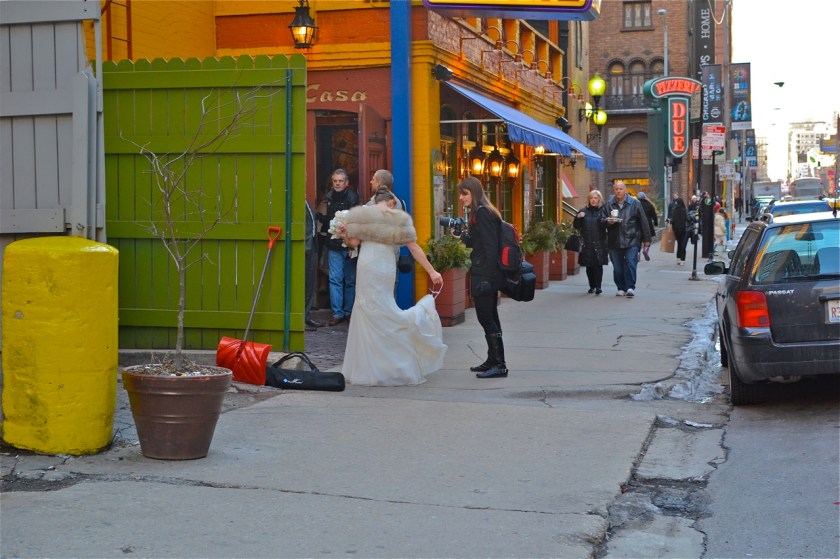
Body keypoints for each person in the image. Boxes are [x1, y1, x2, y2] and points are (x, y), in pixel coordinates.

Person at [335, 187, 446, 386]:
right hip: (384, 267)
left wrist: (342, 233)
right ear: (392, 202)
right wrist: (432, 271)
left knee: (366, 311)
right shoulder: (398, 219)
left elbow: (354, 243)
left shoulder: (362, 215)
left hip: (367, 266)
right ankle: (397, 360)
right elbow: (413, 248)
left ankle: (368, 368)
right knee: (386, 310)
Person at [454, 176, 509, 378]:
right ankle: (492, 360)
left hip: (485, 274)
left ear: (474, 193)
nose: (461, 198)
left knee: (486, 317)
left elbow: (490, 247)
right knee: (490, 316)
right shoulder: (482, 211)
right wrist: (461, 236)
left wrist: (488, 278)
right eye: (460, 194)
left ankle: (500, 364)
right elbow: (479, 243)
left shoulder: (482, 213)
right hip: (485, 273)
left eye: (464, 194)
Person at [321, 168, 360, 326]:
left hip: (350, 244)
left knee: (350, 280)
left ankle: (348, 311)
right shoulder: (328, 197)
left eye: (340, 181)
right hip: (334, 245)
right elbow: (328, 220)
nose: (337, 183)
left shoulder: (353, 198)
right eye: (335, 181)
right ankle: (337, 313)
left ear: (346, 183)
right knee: (335, 279)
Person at [604, 180, 651, 298]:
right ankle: (620, 288)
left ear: (625, 190)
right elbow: (602, 220)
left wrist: (647, 239)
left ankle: (630, 287)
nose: (619, 191)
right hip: (615, 240)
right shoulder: (609, 204)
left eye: (621, 189)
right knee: (618, 267)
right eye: (616, 189)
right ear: (614, 191)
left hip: (632, 239)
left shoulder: (635, 203)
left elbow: (644, 222)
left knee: (631, 263)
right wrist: (608, 221)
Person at [573, 189, 609, 294]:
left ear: (599, 199)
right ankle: (592, 286)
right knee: (589, 267)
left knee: (598, 266)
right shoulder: (583, 211)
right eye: (591, 198)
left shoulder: (603, 211)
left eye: (595, 198)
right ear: (588, 200)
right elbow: (576, 226)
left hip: (599, 243)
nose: (593, 200)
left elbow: (606, 225)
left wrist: (608, 221)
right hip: (587, 243)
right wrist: (578, 218)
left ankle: (598, 286)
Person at [304, 200, 325, 331]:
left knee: (309, 284)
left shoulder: (305, 200)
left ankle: (306, 316)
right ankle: (302, 318)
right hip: (304, 248)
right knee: (303, 283)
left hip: (311, 247)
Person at [669, 197, 689, 266]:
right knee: (683, 245)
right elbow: (687, 219)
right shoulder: (684, 210)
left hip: (676, 230)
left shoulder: (674, 210)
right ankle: (682, 260)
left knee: (678, 244)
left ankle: (678, 259)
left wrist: (669, 221)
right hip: (683, 230)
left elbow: (672, 220)